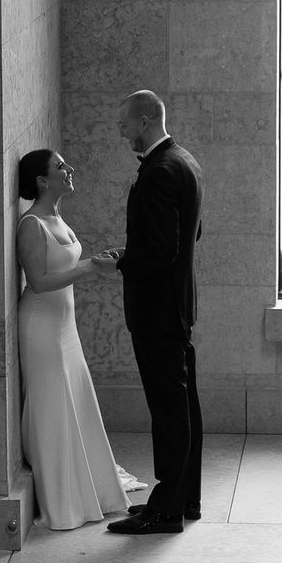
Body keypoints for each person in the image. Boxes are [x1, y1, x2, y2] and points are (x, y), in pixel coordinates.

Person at [93, 90, 203, 536]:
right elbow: (190, 233)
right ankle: (184, 498)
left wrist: (120, 262)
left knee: (168, 409)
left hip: (158, 309)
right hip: (177, 303)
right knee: (182, 404)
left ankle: (165, 509)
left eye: (124, 123)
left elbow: (162, 247)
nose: (119, 130)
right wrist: (132, 251)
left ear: (144, 120)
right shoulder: (185, 160)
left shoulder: (158, 172)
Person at [14, 148, 136, 530]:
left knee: (75, 399)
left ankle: (88, 484)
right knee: (53, 404)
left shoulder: (56, 217)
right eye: (60, 166)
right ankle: (63, 499)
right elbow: (37, 282)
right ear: (41, 181)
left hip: (64, 327)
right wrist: (89, 268)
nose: (70, 169)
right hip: (42, 327)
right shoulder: (31, 224)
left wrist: (94, 261)